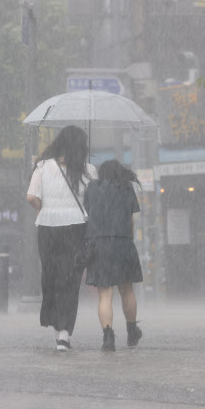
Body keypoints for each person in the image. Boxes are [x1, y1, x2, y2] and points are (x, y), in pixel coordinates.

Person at [26, 125, 97, 351]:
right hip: (76, 229)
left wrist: (44, 208)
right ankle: (64, 332)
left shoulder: (43, 166)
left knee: (51, 276)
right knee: (70, 281)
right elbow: (92, 202)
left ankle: (58, 328)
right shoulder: (89, 171)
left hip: (47, 228)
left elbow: (31, 197)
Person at [83, 159, 143, 352]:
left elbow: (88, 213)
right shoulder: (127, 188)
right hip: (123, 242)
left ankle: (108, 336)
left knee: (105, 294)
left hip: (99, 244)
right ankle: (132, 330)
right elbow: (132, 220)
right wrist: (127, 241)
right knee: (127, 291)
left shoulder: (91, 188)